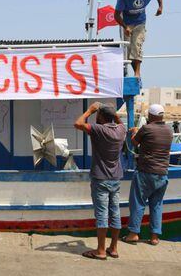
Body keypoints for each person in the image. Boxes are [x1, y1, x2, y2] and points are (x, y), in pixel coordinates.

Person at [74, 102, 126, 260]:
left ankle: (101, 251)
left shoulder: (98, 130)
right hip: (116, 178)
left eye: (98, 114)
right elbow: (120, 122)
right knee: (115, 213)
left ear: (101, 116)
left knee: (102, 214)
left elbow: (78, 123)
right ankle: (114, 248)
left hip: (100, 178)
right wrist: (112, 112)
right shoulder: (121, 130)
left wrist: (90, 110)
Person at [123, 104, 173, 246]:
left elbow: (134, 142)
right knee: (157, 205)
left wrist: (134, 131)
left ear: (150, 116)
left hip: (145, 172)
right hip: (162, 174)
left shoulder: (146, 128)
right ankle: (154, 237)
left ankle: (133, 234)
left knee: (138, 202)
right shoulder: (169, 130)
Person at [115, 0, 163, 78]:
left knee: (136, 46)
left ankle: (137, 73)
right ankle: (129, 73)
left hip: (140, 22)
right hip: (126, 23)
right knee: (127, 51)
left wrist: (160, 7)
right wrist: (124, 26)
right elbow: (116, 15)